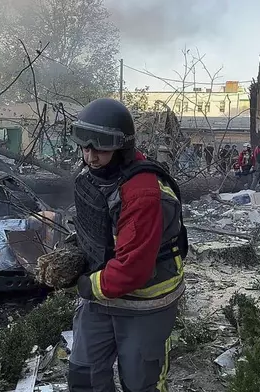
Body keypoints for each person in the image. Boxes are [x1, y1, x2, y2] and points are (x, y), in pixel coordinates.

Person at [67, 98, 188, 392]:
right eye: (85, 147)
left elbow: (134, 268)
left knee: (140, 383)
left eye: (100, 148)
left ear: (122, 147)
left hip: (145, 300)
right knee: (84, 377)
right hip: (103, 294)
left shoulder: (143, 193)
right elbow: (93, 227)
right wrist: (73, 253)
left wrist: (87, 285)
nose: (91, 157)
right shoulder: (92, 174)